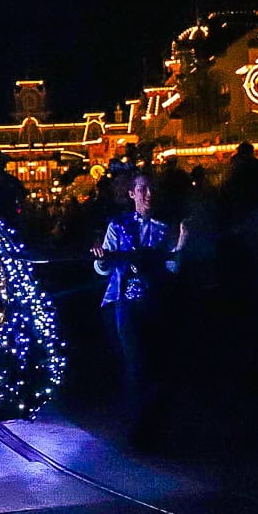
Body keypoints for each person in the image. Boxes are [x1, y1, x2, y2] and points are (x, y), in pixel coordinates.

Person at [92, 173, 186, 448]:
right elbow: (104, 268)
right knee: (136, 363)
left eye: (151, 190)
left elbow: (172, 269)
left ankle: (152, 425)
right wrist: (102, 258)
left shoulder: (163, 228)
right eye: (142, 189)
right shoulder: (118, 226)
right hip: (125, 302)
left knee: (156, 364)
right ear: (132, 193)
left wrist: (181, 244)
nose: (148, 195)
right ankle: (138, 426)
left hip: (154, 302)